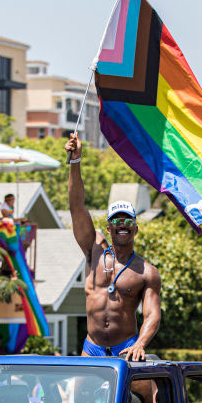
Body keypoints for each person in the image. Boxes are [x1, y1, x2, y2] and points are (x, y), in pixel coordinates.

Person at [67, 132, 162, 361]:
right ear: (108, 228)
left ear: (136, 228)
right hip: (92, 348)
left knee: (148, 397)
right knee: (78, 397)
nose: (122, 225)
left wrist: (140, 344)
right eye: (116, 221)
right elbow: (76, 206)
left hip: (127, 348)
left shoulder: (147, 272)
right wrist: (75, 162)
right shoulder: (94, 248)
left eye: (128, 221)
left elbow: (152, 314)